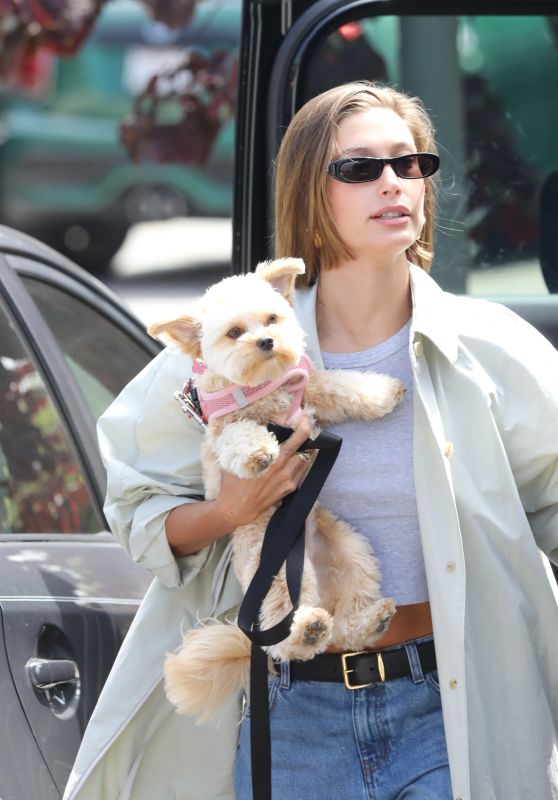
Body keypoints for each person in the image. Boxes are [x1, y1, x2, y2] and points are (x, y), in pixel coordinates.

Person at [64, 82, 558, 800]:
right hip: (292, 711)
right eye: (360, 168)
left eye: (411, 163)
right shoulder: (225, 345)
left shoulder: (492, 349)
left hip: (452, 702)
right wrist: (231, 509)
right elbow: (138, 509)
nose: (393, 183)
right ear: (309, 192)